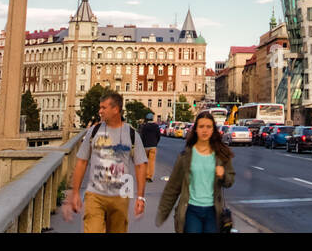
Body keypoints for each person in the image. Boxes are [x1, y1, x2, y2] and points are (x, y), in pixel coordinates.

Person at [64, 91, 148, 233]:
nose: (100, 111)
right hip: (94, 195)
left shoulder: (132, 134)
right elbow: (81, 162)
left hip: (120, 197)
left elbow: (141, 166)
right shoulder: (94, 131)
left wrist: (141, 197)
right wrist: (75, 192)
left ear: (116, 109)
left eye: (104, 108)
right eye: (100, 107)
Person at [156, 111, 235, 233]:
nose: (205, 130)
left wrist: (223, 175)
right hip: (191, 210)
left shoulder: (221, 154)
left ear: (213, 130)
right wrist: (163, 213)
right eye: (201, 126)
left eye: (208, 127)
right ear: (196, 129)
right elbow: (173, 187)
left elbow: (230, 181)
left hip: (213, 211)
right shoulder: (185, 156)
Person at [138, 111, 161, 182]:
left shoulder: (144, 126)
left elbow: (141, 136)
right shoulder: (156, 126)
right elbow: (158, 136)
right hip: (153, 146)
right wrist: (155, 143)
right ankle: (149, 176)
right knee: (152, 162)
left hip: (145, 146)